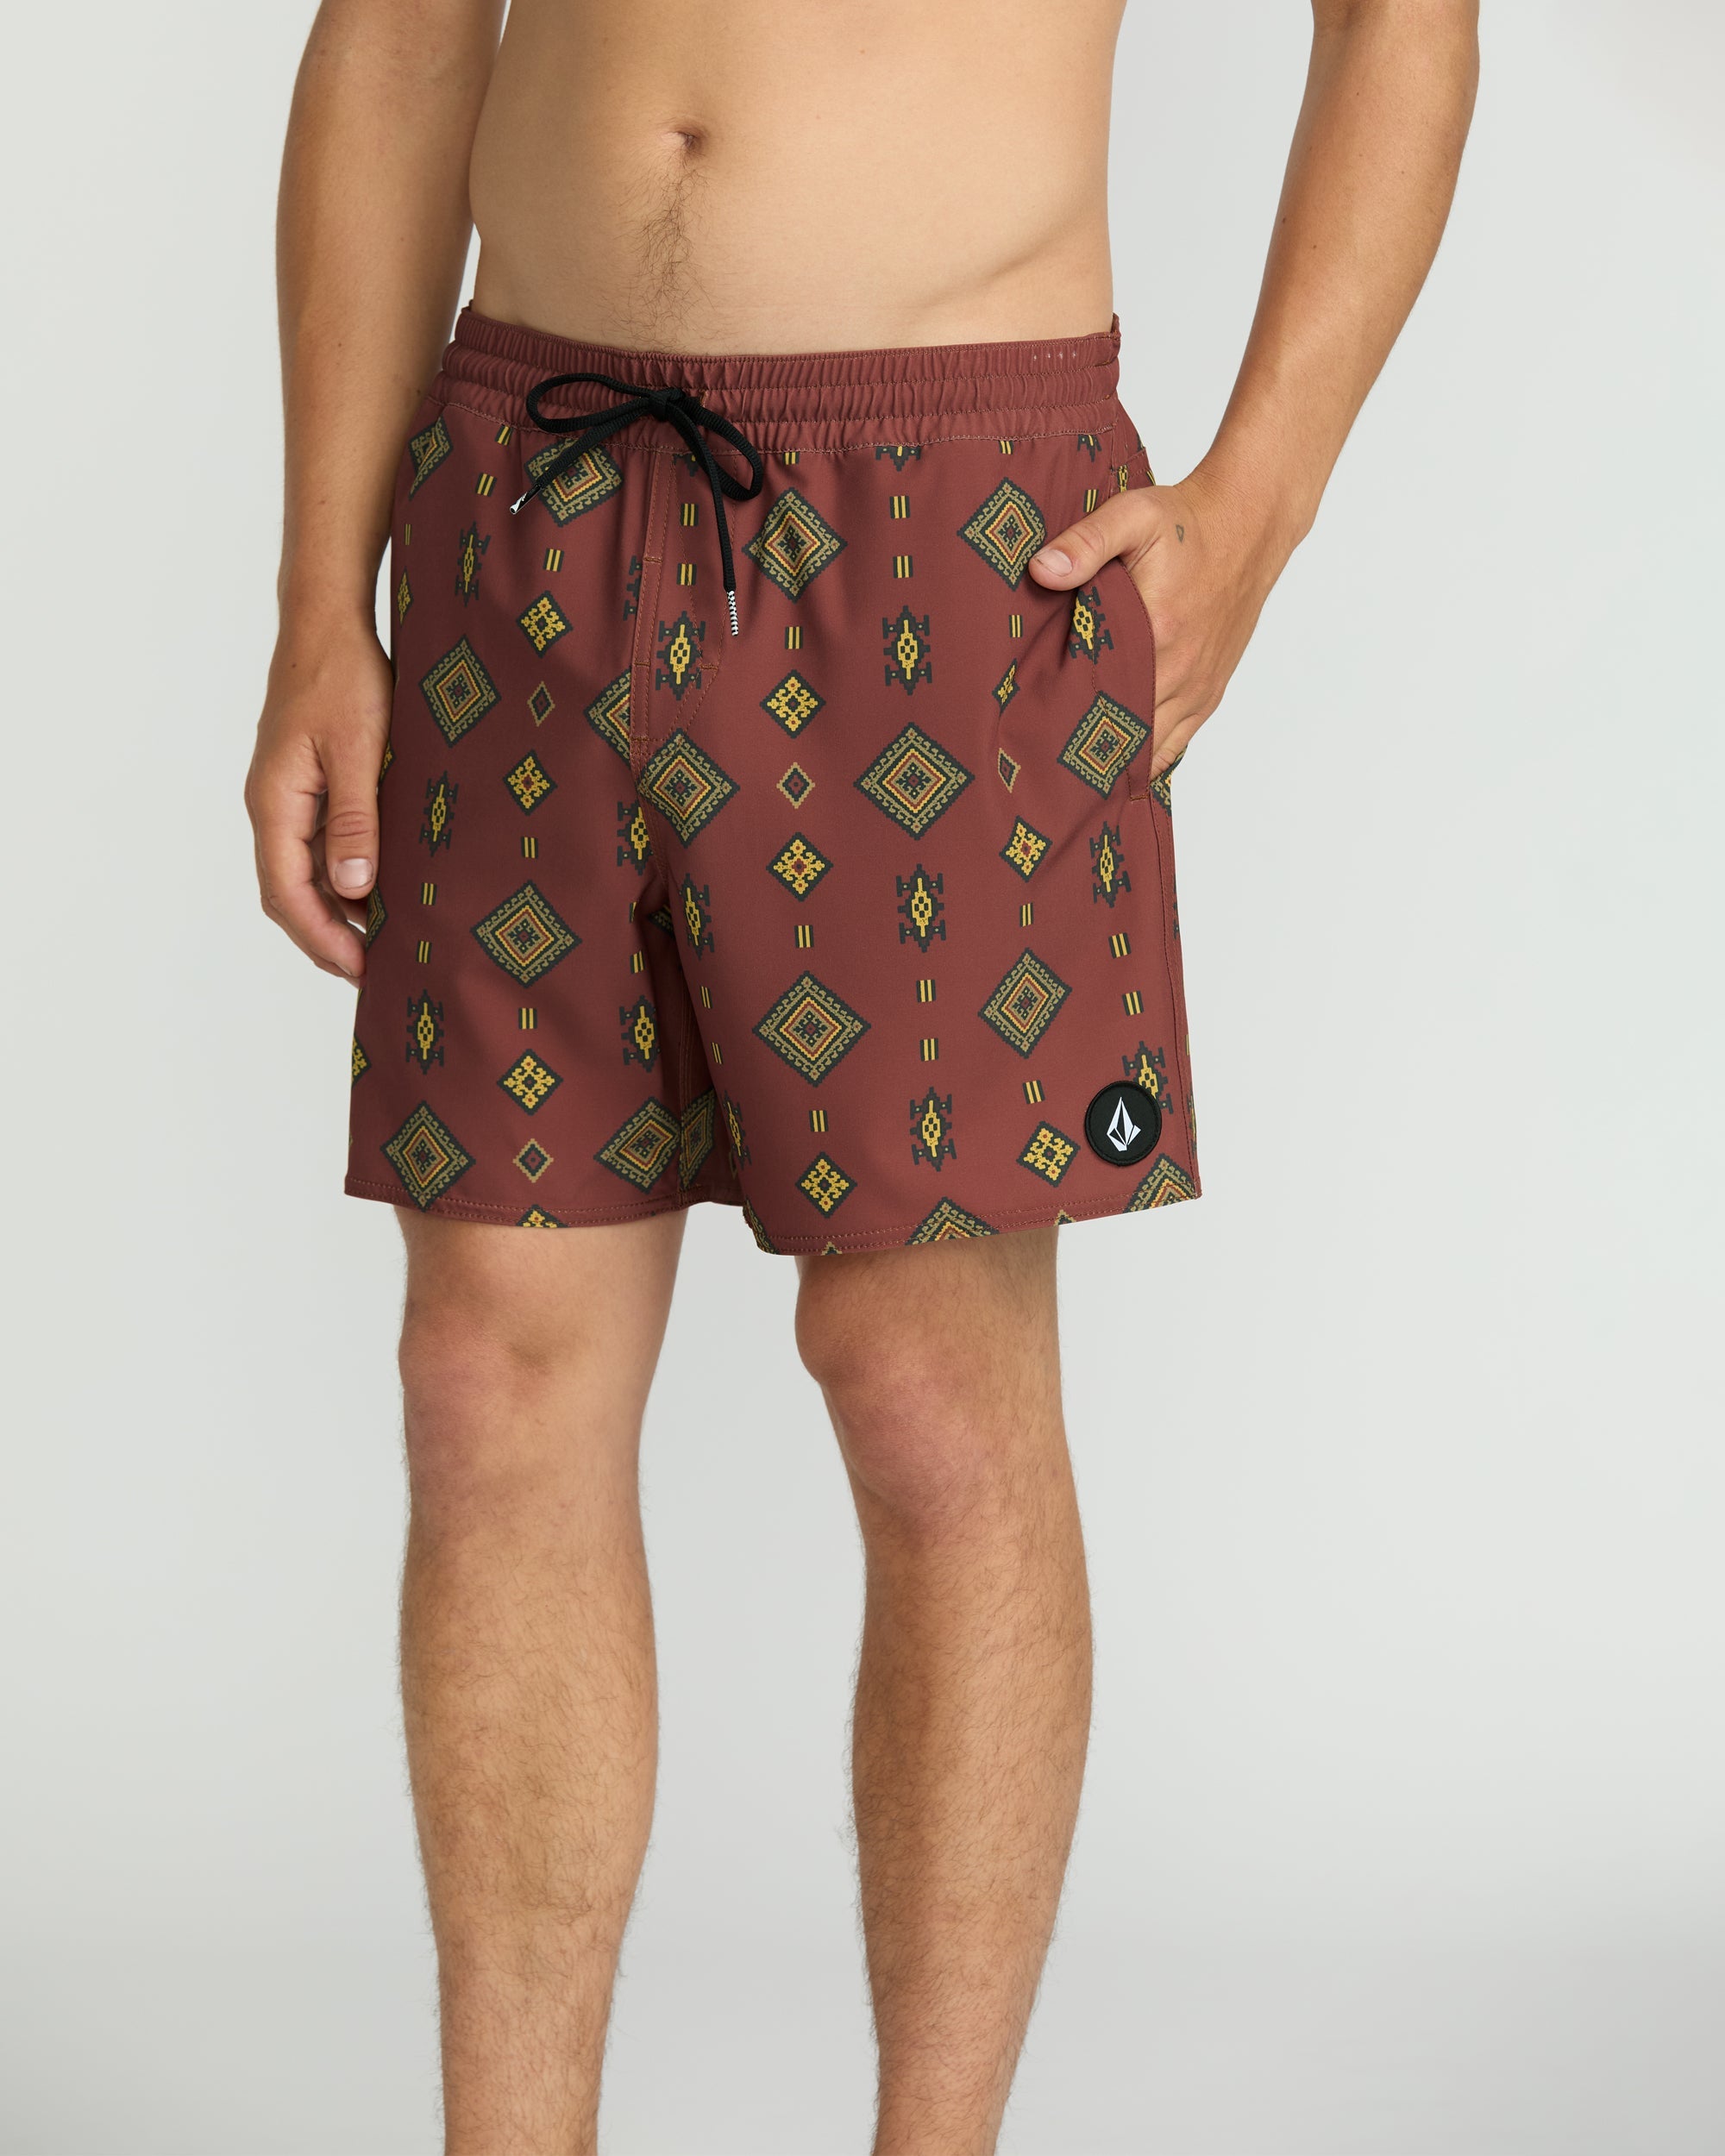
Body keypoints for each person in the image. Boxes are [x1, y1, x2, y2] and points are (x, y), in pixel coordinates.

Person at [246, 2, 1477, 2147]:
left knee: (924, 1388)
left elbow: (1402, 20)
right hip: (524, 482)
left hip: (950, 517)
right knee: (484, 1378)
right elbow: (401, 38)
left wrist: (1259, 497)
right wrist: (316, 600)